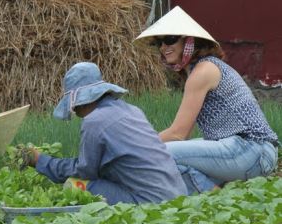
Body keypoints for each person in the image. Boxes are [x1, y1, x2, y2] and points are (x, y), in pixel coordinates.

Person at [134, 6, 279, 194]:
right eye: (159, 43)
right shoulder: (202, 70)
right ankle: (215, 194)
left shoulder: (203, 71)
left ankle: (214, 196)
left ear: (189, 41)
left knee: (160, 154)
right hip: (250, 153)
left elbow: (178, 134)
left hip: (252, 150)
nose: (163, 47)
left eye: (169, 39)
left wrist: (135, 146)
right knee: (172, 173)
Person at [23, 62, 187, 205]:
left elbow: (84, 171)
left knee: (76, 185)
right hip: (178, 197)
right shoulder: (132, 110)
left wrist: (41, 161)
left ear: (79, 101)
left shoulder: (94, 121)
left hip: (150, 203)